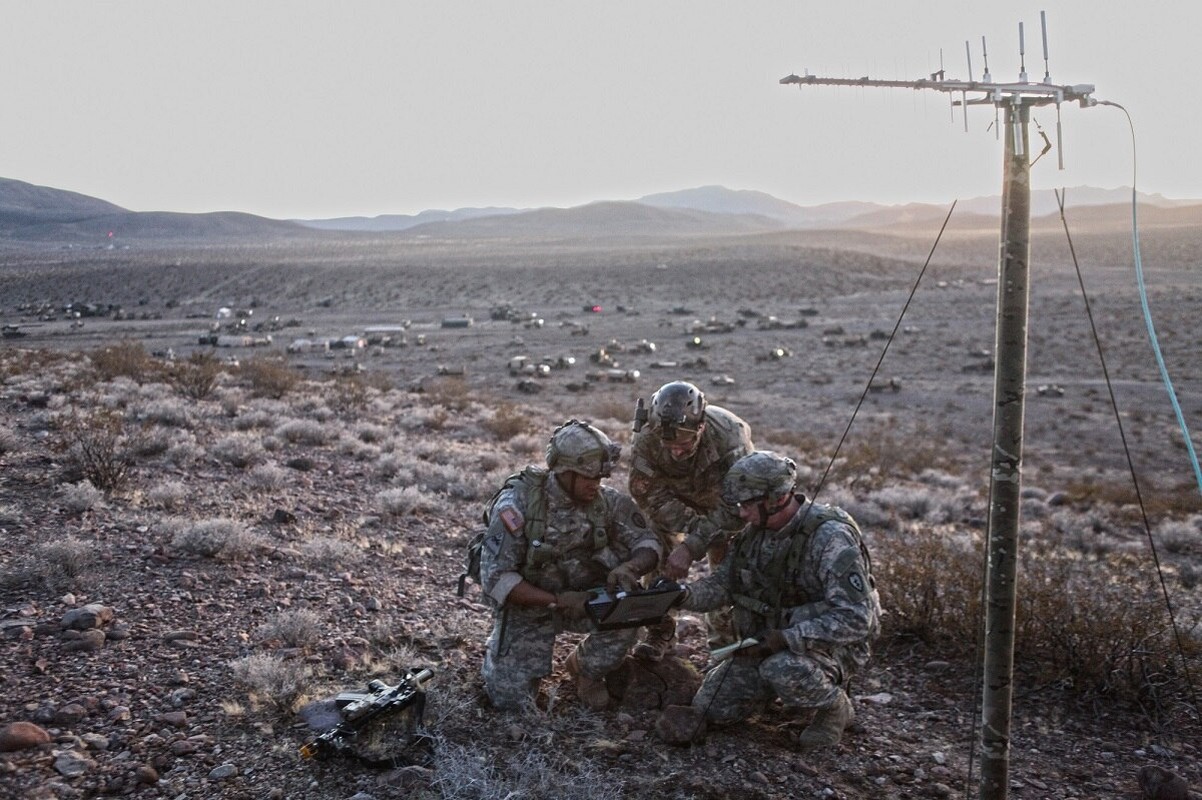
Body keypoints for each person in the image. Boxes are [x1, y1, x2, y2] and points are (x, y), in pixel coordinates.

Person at [679, 450, 880, 750]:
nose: (742, 513)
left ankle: (835, 707)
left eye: (747, 505)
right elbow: (724, 585)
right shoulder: (753, 534)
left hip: (833, 644)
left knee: (781, 669)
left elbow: (856, 618)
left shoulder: (829, 538)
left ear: (774, 499)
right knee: (711, 706)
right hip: (767, 641)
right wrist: (683, 596)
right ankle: (776, 691)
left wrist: (787, 638)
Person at [478, 419, 662, 711]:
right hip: (530, 607)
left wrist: (631, 568)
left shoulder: (607, 502)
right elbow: (497, 579)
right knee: (510, 701)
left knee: (630, 612)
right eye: (587, 477)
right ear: (563, 471)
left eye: (600, 477)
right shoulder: (517, 505)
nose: (596, 484)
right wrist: (557, 600)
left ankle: (586, 670)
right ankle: (504, 655)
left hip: (589, 600)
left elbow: (648, 543)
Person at [627, 380, 753, 659]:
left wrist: (693, 545)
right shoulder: (647, 436)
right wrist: (686, 537)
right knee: (654, 547)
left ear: (701, 427)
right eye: (668, 445)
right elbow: (647, 495)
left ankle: (725, 647)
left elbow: (738, 507)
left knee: (727, 569)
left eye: (684, 445)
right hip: (672, 503)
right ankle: (660, 630)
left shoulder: (731, 437)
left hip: (722, 507)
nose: (676, 452)